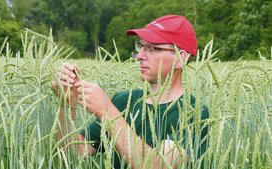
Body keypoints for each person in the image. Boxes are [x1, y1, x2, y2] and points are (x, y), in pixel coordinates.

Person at [52, 15, 209, 169]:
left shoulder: (195, 114)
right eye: (140, 46)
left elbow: (158, 165)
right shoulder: (124, 101)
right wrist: (67, 104)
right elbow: (74, 152)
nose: (139, 56)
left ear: (180, 58)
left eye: (153, 48)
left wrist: (107, 112)